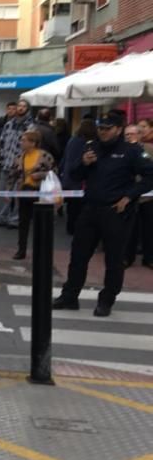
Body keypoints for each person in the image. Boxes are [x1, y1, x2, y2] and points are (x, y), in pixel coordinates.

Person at [54, 111, 153, 316]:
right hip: (90, 209)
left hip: (116, 211)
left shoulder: (131, 151)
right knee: (79, 255)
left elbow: (150, 176)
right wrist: (84, 163)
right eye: (101, 128)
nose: (103, 132)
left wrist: (129, 196)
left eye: (107, 129)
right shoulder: (92, 147)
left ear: (118, 129)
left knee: (114, 259)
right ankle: (70, 296)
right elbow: (74, 174)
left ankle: (106, 300)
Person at [8, 130, 55, 260]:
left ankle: (41, 251)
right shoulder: (20, 157)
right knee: (23, 222)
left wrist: (39, 175)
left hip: (39, 192)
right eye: (21, 140)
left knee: (40, 223)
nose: (21, 143)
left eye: (24, 140)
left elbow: (53, 173)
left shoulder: (45, 156)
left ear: (33, 143)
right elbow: (12, 175)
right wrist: (8, 191)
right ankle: (21, 250)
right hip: (24, 190)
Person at [0, 99, 34, 227]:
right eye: (19, 106)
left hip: (20, 166)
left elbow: (31, 146)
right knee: (2, 191)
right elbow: (2, 141)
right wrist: (1, 156)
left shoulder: (30, 126)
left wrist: (23, 159)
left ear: (27, 109)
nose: (21, 108)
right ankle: (1, 216)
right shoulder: (9, 124)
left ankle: (15, 219)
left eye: (24, 106)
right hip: (6, 162)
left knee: (17, 193)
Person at [125, 118, 153, 269]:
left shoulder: (148, 149)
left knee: (149, 228)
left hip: (148, 195)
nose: (130, 137)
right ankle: (127, 257)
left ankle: (149, 258)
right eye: (127, 135)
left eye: (133, 134)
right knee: (130, 228)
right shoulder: (121, 150)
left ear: (140, 135)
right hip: (128, 194)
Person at [60, 119, 97, 235]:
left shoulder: (72, 140)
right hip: (77, 178)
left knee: (72, 206)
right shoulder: (85, 143)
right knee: (77, 206)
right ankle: (75, 228)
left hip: (68, 176)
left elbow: (65, 158)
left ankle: (70, 227)